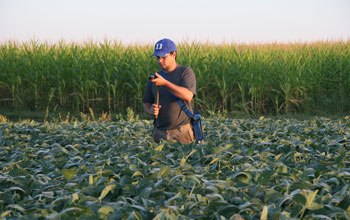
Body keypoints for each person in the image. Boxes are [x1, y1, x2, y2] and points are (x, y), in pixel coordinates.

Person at [143, 38, 196, 144]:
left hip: (181, 133)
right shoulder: (154, 77)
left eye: (164, 57)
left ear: (174, 54)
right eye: (158, 58)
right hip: (158, 133)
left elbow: (188, 95)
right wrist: (151, 110)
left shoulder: (185, 72)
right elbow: (146, 103)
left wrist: (165, 83)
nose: (160, 61)